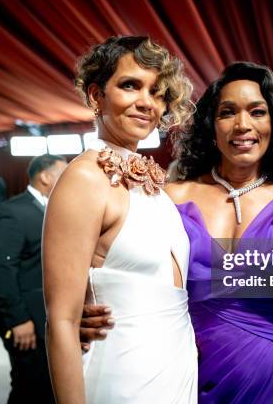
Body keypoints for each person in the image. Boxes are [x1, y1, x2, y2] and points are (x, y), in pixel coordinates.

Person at [81, 62, 273, 403]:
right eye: (228, 112)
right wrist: (86, 306)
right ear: (212, 125)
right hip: (186, 373)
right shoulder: (170, 197)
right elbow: (116, 257)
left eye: (257, 112)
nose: (243, 125)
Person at [43, 36, 196, 403]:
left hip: (176, 372)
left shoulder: (155, 183)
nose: (147, 102)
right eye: (131, 85)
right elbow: (62, 323)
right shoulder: (84, 178)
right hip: (122, 380)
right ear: (97, 96)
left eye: (157, 92)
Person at [0, 154, 67, 404]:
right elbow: (2, 268)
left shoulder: (59, 209)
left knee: (50, 385)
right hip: (25, 320)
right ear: (45, 176)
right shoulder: (12, 211)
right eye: (62, 173)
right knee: (29, 387)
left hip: (51, 317)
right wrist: (19, 319)